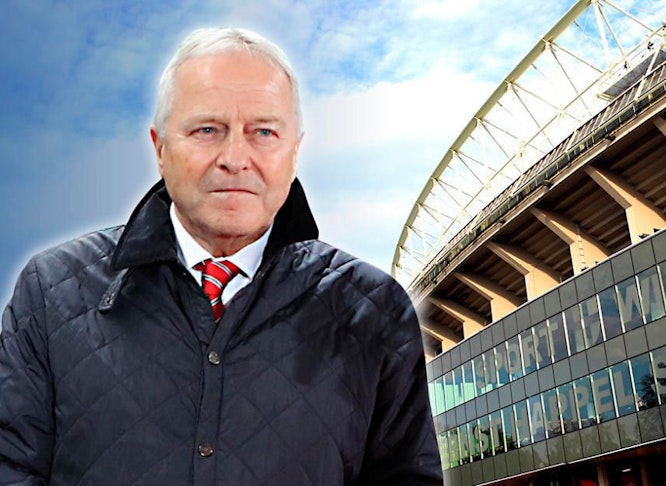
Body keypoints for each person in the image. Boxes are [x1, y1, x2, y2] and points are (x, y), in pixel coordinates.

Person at [0, 27, 442, 485]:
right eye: (207, 130)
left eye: (264, 132)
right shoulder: (50, 294)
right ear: (160, 147)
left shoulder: (373, 310)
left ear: (294, 152)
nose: (235, 157)